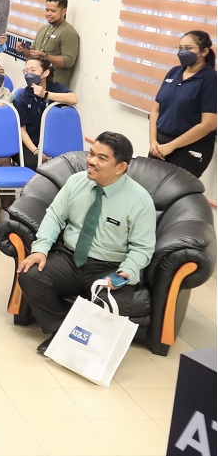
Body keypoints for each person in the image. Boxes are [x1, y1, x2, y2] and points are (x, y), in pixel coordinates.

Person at [17, 132, 157, 355]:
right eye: (91, 154)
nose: (91, 161)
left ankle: (85, 346)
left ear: (120, 167)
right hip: (70, 258)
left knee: (115, 305)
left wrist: (125, 273)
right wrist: (40, 249)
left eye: (102, 158)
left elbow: (143, 248)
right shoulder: (76, 182)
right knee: (30, 275)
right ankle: (60, 332)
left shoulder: (139, 201)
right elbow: (54, 217)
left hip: (111, 266)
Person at [148, 30, 217, 177]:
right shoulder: (174, 72)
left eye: (188, 48)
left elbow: (208, 124)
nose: (182, 52)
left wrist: (171, 146)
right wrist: (153, 141)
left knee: (174, 190)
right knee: (148, 185)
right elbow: (155, 110)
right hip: (160, 145)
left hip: (190, 148)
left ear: (204, 52)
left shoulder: (210, 79)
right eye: (180, 48)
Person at [14, 57, 79, 170]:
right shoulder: (22, 97)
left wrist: (46, 94)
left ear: (45, 73)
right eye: (26, 71)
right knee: (36, 165)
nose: (29, 74)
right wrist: (36, 151)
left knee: (67, 167)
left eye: (33, 70)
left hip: (54, 141)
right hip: (30, 144)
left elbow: (73, 99)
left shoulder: (55, 87)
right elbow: (22, 130)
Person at [17, 0, 80, 89]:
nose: (48, 14)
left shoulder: (68, 33)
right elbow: (32, 55)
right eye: (47, 10)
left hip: (55, 86)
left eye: (53, 11)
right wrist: (24, 50)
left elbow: (68, 61)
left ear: (64, 11)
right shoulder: (43, 29)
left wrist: (46, 56)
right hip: (36, 84)